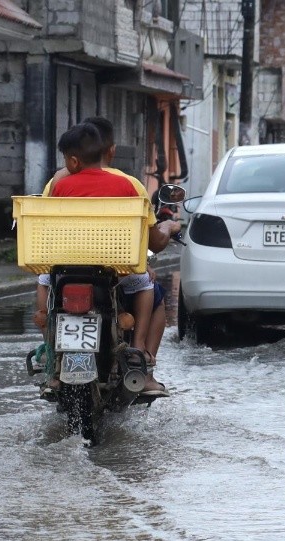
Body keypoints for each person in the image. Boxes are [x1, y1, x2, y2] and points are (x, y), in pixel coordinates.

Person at [35, 118, 180, 396]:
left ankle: (53, 362)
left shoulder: (59, 186)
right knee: (148, 285)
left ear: (74, 161)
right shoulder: (128, 185)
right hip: (116, 267)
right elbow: (144, 234)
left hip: (67, 266)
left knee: (44, 282)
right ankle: (138, 356)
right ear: (108, 151)